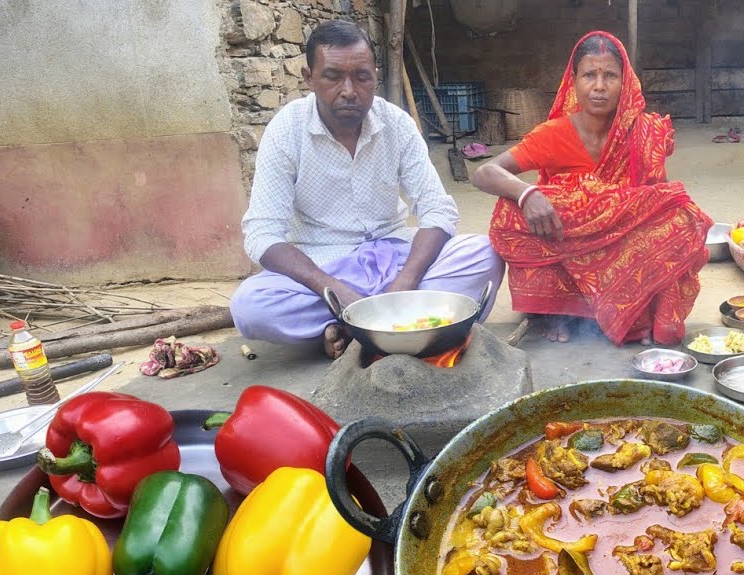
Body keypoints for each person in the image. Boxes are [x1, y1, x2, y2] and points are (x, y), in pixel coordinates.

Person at [230, 20, 504, 359]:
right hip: (324, 267)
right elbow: (262, 233)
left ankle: (350, 330)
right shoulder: (286, 130)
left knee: (484, 252)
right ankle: (395, 324)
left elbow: (437, 208)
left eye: (361, 77)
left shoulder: (397, 124)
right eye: (332, 76)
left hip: (396, 259)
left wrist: (405, 282)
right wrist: (334, 289)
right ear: (308, 77)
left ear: (374, 76)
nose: (349, 90)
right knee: (250, 305)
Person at [472, 31, 711, 345]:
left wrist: (621, 212)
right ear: (573, 81)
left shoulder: (643, 132)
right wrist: (527, 193)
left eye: (610, 75)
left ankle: (637, 311)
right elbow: (485, 172)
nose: (599, 86)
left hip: (623, 248)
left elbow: (657, 201)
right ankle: (560, 309)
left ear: (624, 82)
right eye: (589, 75)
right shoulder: (553, 134)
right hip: (568, 242)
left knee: (679, 215)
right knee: (510, 211)